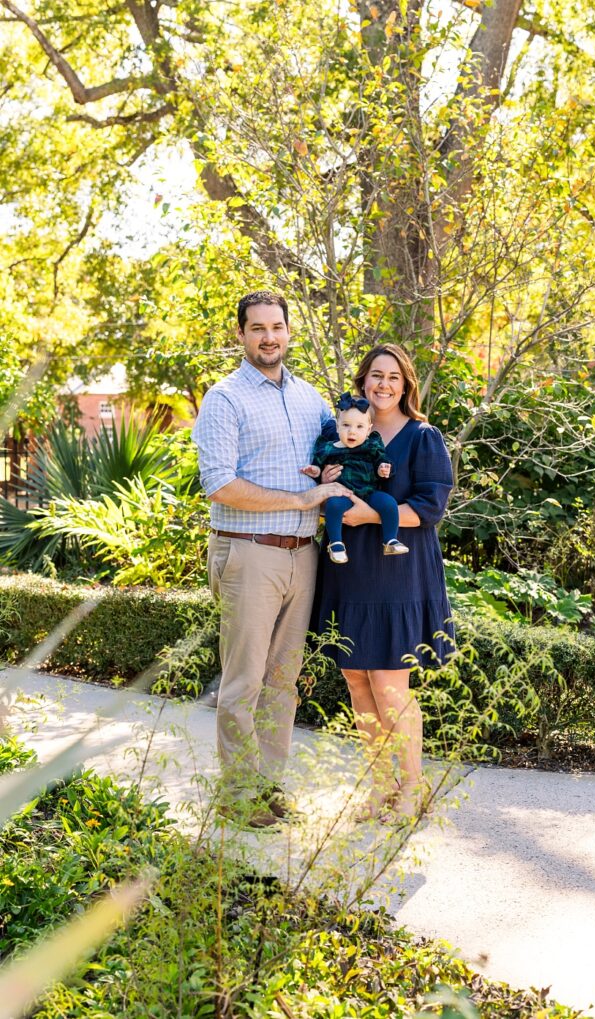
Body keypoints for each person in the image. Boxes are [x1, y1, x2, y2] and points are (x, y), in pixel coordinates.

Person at [193, 291, 349, 829]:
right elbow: (218, 484)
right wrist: (300, 500)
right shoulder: (225, 398)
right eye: (256, 328)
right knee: (244, 683)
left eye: (276, 327)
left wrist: (335, 480)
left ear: (289, 332)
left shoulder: (311, 400)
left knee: (284, 681)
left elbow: (336, 458)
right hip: (249, 552)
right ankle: (239, 797)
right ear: (240, 335)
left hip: (303, 556)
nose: (268, 337)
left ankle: (270, 789)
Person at [313, 343, 455, 821]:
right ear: (363, 381)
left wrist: (369, 514)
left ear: (406, 384)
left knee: (391, 687)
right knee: (357, 681)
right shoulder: (342, 433)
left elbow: (432, 506)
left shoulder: (422, 437)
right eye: (376, 375)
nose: (384, 384)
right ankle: (381, 786)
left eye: (393, 377)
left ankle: (414, 789)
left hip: (398, 574)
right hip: (349, 572)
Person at [300, 392, 409, 564]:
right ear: (337, 427)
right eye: (346, 425)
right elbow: (318, 464)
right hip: (343, 493)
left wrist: (383, 469)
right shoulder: (329, 448)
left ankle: (390, 540)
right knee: (334, 506)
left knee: (388, 503)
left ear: (368, 429)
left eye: (359, 427)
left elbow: (382, 461)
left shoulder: (371, 445)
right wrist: (315, 471)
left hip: (369, 492)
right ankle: (335, 543)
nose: (352, 432)